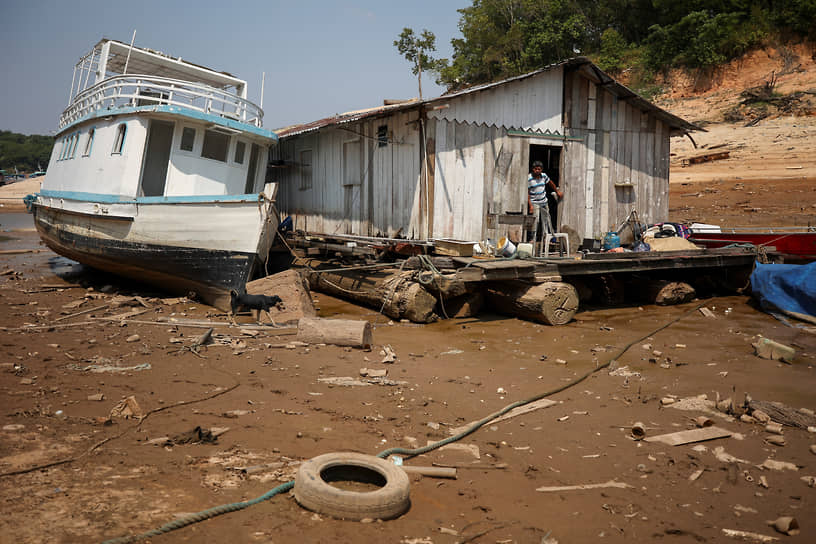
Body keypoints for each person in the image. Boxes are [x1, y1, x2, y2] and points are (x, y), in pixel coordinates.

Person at [527, 161, 563, 241]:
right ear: (533, 169)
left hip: (544, 202)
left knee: (546, 220)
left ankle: (546, 237)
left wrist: (557, 192)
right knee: (535, 221)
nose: (537, 171)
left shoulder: (544, 176)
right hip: (534, 202)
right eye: (535, 169)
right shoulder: (529, 178)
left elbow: (550, 183)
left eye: (539, 169)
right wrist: (530, 206)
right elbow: (527, 193)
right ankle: (533, 238)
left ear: (541, 170)